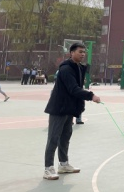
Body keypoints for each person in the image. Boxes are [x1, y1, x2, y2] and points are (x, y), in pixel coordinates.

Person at [43, 42, 100, 180]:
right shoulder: (66, 69)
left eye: (84, 52)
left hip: (69, 108)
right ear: (71, 53)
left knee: (65, 137)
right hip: (59, 108)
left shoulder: (78, 67)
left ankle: (63, 164)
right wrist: (91, 96)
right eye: (80, 51)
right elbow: (73, 89)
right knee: (53, 138)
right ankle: (48, 168)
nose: (83, 54)